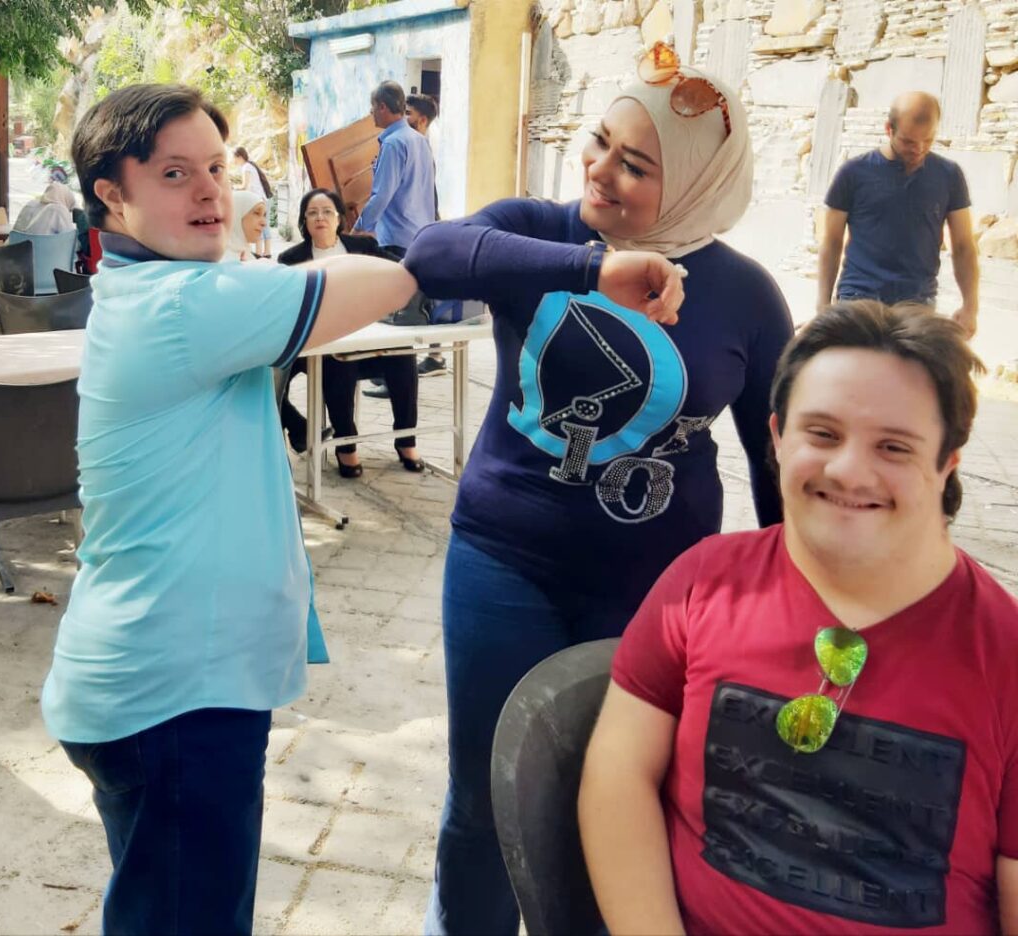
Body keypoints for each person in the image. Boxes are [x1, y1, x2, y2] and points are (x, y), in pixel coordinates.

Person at [404, 41, 794, 935]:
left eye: (637, 164)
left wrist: (791, 599)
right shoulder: (539, 231)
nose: (601, 170)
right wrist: (591, 267)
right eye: (600, 142)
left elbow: (776, 458)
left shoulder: (744, 296)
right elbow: (432, 253)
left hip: (655, 595)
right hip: (503, 563)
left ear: (695, 183)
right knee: (482, 800)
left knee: (612, 808)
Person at [40, 83, 416, 936]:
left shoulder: (157, 286)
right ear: (112, 196)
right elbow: (392, 277)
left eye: (216, 167)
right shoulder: (184, 306)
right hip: (176, 696)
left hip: (156, 683)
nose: (211, 190)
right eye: (175, 173)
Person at [579, 300, 1018, 935]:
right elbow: (619, 775)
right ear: (779, 437)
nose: (849, 471)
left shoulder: (1004, 652)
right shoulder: (702, 582)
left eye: (894, 447)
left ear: (946, 461)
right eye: (823, 434)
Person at [277, 188, 424, 474]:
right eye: (312, 213)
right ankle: (347, 445)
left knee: (403, 354)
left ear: (339, 219)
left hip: (369, 336)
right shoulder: (291, 259)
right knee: (337, 363)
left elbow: (398, 269)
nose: (320, 218)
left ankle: (406, 440)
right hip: (321, 344)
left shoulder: (363, 247)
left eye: (327, 212)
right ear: (304, 221)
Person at [817, 92, 979, 338]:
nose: (919, 149)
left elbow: (964, 245)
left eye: (928, 140)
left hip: (918, 303)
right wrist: (822, 303)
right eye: (908, 142)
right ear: (889, 129)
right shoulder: (853, 173)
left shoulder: (949, 175)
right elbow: (831, 241)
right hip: (859, 300)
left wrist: (970, 306)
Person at [356, 80, 436, 401]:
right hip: (419, 233)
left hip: (396, 236)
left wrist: (360, 229)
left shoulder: (393, 143)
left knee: (393, 313)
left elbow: (382, 194)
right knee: (404, 310)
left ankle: (392, 380)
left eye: (372, 107)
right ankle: (393, 378)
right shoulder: (419, 140)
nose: (371, 114)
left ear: (383, 107)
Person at [404, 92, 447, 380]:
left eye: (407, 113)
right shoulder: (418, 145)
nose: (403, 117)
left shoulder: (418, 147)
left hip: (422, 229)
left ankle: (431, 356)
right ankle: (434, 355)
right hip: (425, 227)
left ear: (421, 120)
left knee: (424, 294)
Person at [232, 145, 273, 258]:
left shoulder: (246, 167)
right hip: (262, 199)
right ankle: (267, 252)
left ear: (239, 157)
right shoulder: (250, 165)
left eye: (234, 158)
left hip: (257, 201)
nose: (234, 161)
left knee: (257, 224)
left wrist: (234, 187)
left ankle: (259, 253)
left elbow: (244, 186)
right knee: (264, 225)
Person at [12, 181, 77, 235]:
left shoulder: (30, 204)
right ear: (66, 199)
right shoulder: (59, 210)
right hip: (46, 246)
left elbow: (17, 229)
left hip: (19, 245)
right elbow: (69, 237)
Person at [224, 189, 267, 261]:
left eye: (264, 215)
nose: (264, 223)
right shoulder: (221, 260)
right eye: (257, 213)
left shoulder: (246, 255)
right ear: (236, 214)